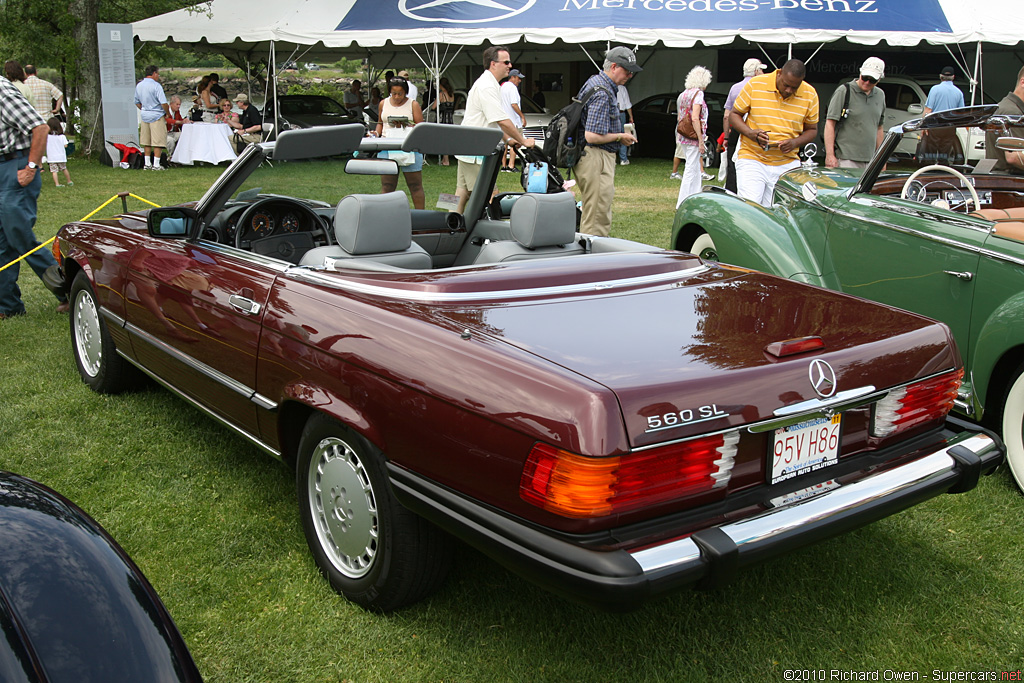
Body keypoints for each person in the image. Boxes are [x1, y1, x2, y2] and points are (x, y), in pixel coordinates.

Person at [0, 73, 69, 319]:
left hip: (15, 166)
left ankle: (67, 290)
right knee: (3, 242)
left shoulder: (1, 91)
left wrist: (31, 167)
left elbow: (40, 127)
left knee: (20, 236)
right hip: (3, 168)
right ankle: (8, 306)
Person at [454, 46, 536, 215]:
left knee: (461, 193)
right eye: (506, 62)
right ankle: (487, 233)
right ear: (493, 64)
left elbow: (493, 121)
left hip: (467, 148)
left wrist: (508, 140)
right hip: (474, 150)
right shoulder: (487, 86)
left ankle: (449, 224)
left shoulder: (491, 84)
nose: (509, 65)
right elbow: (502, 121)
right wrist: (523, 140)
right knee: (490, 194)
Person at [729, 59, 819, 207]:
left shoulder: (810, 94)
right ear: (779, 74)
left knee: (778, 212)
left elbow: (812, 130)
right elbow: (734, 114)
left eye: (794, 87)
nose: (789, 90)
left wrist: (794, 143)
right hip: (752, 157)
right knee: (751, 209)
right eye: (786, 85)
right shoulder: (756, 84)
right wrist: (751, 133)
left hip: (787, 162)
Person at [574, 46, 640, 237]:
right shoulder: (603, 92)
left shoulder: (595, 83)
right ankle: (593, 262)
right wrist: (620, 136)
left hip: (592, 156)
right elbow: (592, 135)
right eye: (627, 70)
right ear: (613, 67)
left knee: (594, 211)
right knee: (597, 216)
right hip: (596, 157)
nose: (630, 75)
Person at [824, 57, 886, 169]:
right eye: (865, 78)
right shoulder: (844, 91)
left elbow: (879, 128)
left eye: (872, 80)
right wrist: (830, 155)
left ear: (879, 80)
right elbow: (830, 123)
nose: (867, 82)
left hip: (871, 160)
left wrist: (881, 159)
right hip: (845, 158)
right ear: (860, 73)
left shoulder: (880, 95)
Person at [375, 78, 426, 210]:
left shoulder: (413, 104)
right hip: (387, 146)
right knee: (387, 185)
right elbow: (380, 123)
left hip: (409, 147)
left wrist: (408, 124)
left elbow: (421, 127)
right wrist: (376, 133)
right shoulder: (383, 103)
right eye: (394, 94)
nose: (397, 97)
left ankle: (420, 216)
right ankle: (385, 214)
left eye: (400, 94)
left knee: (415, 185)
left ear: (405, 93)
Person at [721, 58, 766, 192]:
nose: (763, 72)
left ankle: (731, 191)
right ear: (756, 71)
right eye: (761, 70)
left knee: (732, 163)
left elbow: (726, 115)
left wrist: (726, 137)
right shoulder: (761, 86)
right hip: (754, 130)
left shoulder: (734, 88)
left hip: (736, 129)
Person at [675, 66, 712, 208]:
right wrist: (701, 139)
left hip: (683, 134)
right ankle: (683, 200)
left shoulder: (685, 93)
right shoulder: (698, 94)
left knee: (694, 166)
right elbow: (695, 118)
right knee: (691, 167)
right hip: (693, 135)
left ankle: (694, 195)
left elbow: (681, 115)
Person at [984, 64, 1024, 175]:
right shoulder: (1012, 112)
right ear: (1023, 82)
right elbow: (1014, 156)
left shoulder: (1006, 106)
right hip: (1009, 181)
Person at [134, 65, 170, 171]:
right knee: (158, 141)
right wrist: (166, 112)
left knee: (147, 141)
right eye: (158, 74)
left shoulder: (139, 85)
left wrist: (145, 109)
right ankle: (156, 164)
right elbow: (163, 102)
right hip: (157, 115)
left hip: (145, 116)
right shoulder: (156, 86)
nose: (158, 76)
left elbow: (136, 102)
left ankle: (147, 164)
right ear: (154, 73)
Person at [500, 69, 526, 172]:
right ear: (513, 77)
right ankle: (511, 165)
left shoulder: (502, 87)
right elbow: (514, 104)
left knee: (504, 144)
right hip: (513, 121)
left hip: (504, 120)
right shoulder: (513, 88)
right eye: (518, 78)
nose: (520, 81)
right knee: (515, 143)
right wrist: (522, 116)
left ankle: (504, 166)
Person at [429, 77, 455, 165]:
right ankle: (445, 159)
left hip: (443, 119)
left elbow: (433, 107)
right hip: (450, 119)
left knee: (443, 140)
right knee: (448, 139)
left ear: (440, 85)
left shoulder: (441, 94)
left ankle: (445, 160)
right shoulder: (452, 94)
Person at [45, 117, 71, 187]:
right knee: (64, 169)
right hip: (61, 156)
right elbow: (65, 145)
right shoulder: (62, 136)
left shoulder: (47, 136)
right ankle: (69, 181)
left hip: (51, 157)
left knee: (54, 171)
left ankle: (57, 184)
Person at [616, 83, 634, 165]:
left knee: (611, 134)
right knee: (622, 134)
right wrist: (631, 117)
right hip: (621, 113)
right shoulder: (622, 88)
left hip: (611, 113)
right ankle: (623, 159)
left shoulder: (607, 87)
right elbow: (627, 104)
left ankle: (612, 159)